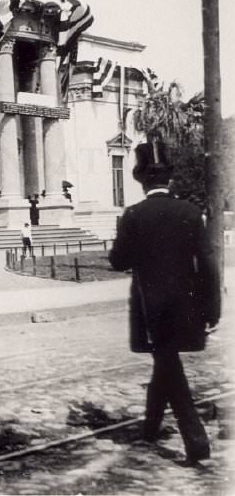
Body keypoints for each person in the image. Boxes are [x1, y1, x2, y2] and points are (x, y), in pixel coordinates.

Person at [109, 142, 221, 466]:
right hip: (187, 307)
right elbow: (208, 264)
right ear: (169, 179)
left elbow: (118, 261)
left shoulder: (133, 215)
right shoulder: (190, 212)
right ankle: (150, 429)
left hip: (151, 310)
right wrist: (212, 310)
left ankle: (196, 442)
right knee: (165, 363)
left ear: (141, 180)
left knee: (169, 366)